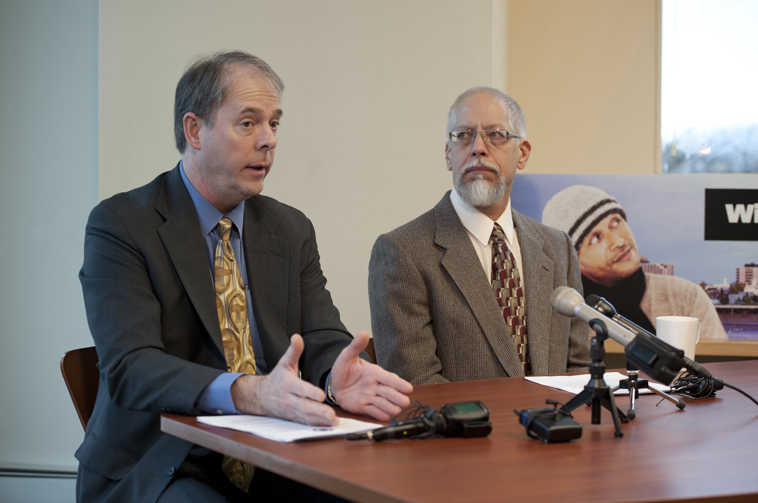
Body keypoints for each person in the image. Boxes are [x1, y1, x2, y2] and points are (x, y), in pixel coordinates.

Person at [77, 51, 413, 502]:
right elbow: (130, 367)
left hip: (272, 452)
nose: (268, 140)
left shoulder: (290, 229)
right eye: (248, 123)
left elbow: (319, 335)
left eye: (274, 123)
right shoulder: (123, 223)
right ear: (194, 130)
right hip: (163, 460)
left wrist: (335, 377)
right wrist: (247, 392)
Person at [368, 87, 590, 385]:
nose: (478, 148)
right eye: (463, 136)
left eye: (496, 135)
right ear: (449, 155)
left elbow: (578, 367)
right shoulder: (402, 251)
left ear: (522, 154)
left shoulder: (557, 247)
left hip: (555, 427)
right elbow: (417, 384)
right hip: (463, 430)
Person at [541, 184, 727, 340]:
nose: (619, 242)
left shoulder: (686, 297)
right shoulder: (567, 313)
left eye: (616, 222)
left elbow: (717, 370)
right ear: (573, 258)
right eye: (596, 238)